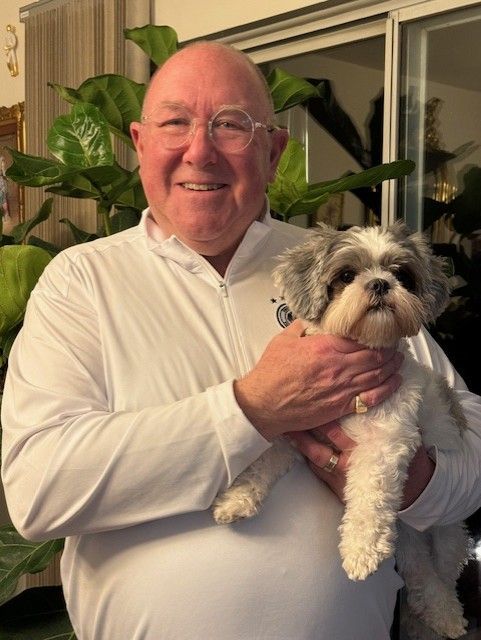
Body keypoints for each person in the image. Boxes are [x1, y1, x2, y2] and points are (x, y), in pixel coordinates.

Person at [2, 42, 481, 640]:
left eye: (230, 124)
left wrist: (414, 484)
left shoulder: (340, 269)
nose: (199, 151)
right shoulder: (80, 282)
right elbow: (40, 492)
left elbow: (471, 445)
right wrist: (252, 408)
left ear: (273, 151)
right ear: (140, 143)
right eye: (175, 123)